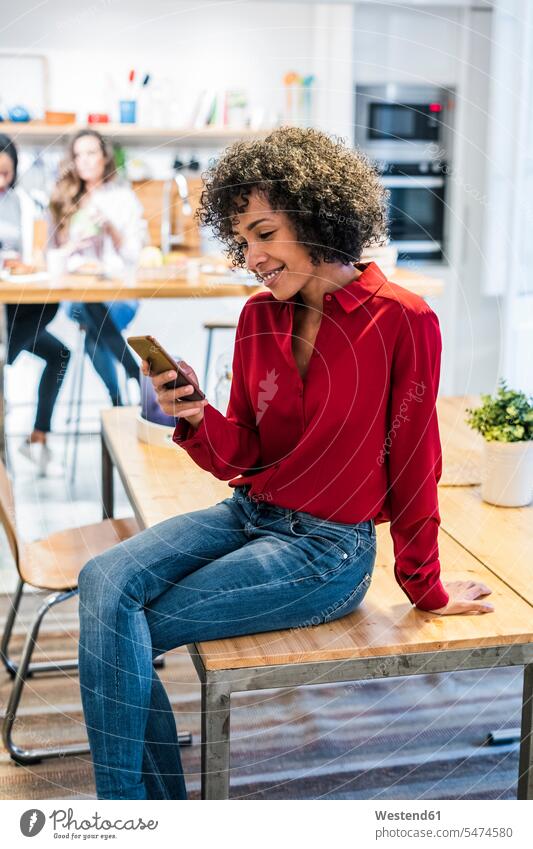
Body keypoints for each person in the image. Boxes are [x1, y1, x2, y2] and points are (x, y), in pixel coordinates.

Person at [77, 127, 494, 800]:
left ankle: (131, 817)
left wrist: (427, 587)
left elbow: (416, 459)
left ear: (315, 215)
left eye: (263, 234)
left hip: (326, 552)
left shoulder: (401, 319)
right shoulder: (255, 319)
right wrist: (192, 414)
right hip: (248, 513)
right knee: (103, 579)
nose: (251, 257)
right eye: (241, 240)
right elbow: (240, 451)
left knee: (120, 627)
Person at [49, 129, 144, 405]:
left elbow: (133, 257)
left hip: (119, 297)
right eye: (78, 155)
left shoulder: (123, 198)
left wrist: (111, 229)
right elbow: (53, 259)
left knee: (93, 331)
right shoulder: (64, 199)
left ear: (105, 157)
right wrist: (74, 247)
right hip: (77, 298)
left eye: (91, 153)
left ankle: (117, 403)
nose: (85, 161)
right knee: (88, 307)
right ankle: (136, 376)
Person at [0, 134, 70, 475]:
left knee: (58, 350)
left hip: (17, 306)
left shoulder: (26, 204)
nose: (1, 181)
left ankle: (38, 439)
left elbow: (38, 253)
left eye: (6, 173)